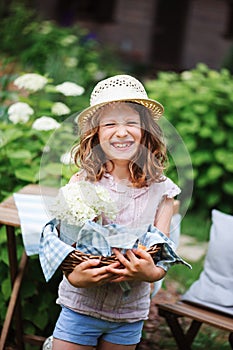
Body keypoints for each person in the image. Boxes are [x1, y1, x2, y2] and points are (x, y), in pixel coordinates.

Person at [40, 74, 185, 350]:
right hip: (80, 306)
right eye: (110, 124)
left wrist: (149, 274)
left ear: (146, 132)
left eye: (131, 122)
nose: (121, 132)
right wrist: (75, 277)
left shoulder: (163, 192)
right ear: (95, 134)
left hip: (129, 315)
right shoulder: (81, 184)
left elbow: (162, 255)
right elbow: (65, 247)